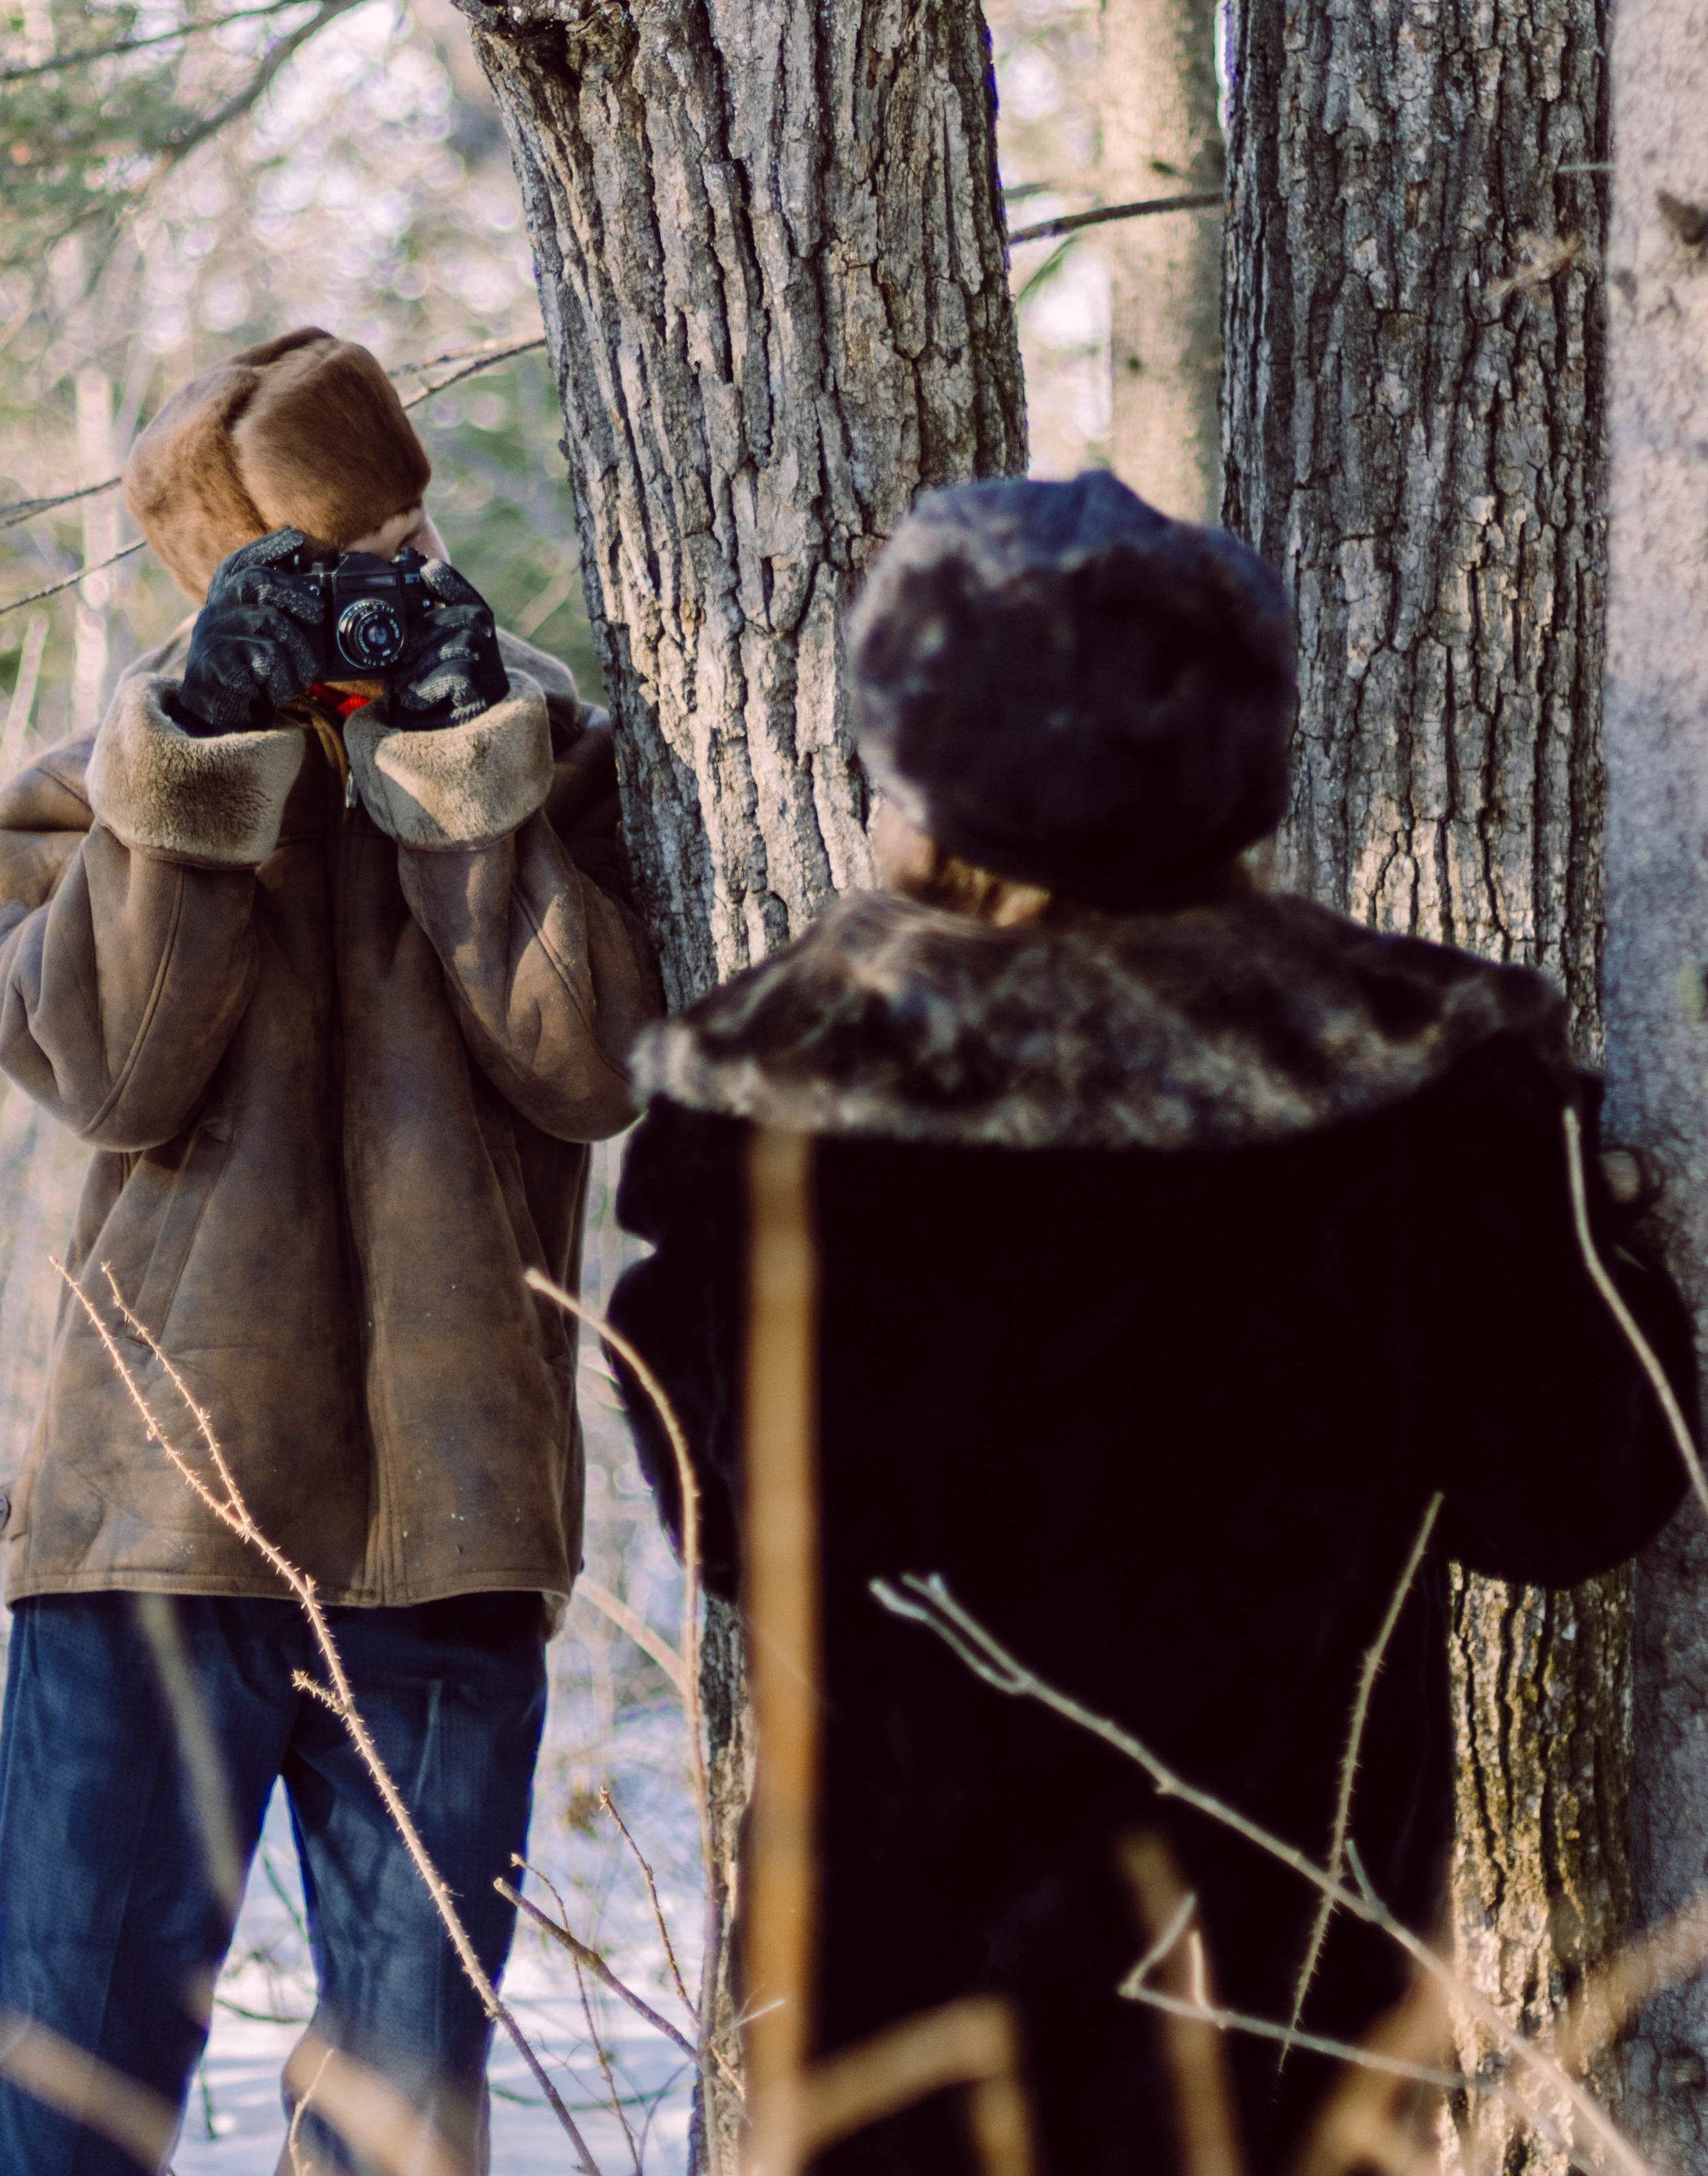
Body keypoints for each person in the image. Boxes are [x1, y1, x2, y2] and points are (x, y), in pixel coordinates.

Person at [607, 472, 1694, 2176]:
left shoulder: (771, 1097)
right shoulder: (1414, 1084)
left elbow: (725, 1525)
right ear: (1237, 754)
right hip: (1281, 2010)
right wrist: (1592, 1221)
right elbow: (1577, 1496)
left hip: (896, 2018)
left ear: (914, 756)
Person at [0, 326, 661, 2176]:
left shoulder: (550, 756)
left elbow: (588, 1070)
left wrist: (461, 773)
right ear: (208, 583)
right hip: (153, 1524)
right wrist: (193, 760)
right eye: (296, 580)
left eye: (381, 562)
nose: (354, 608)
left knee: (406, 2111)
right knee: (69, 2082)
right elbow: (110, 1073)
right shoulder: (90, 787)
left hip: (451, 1530)